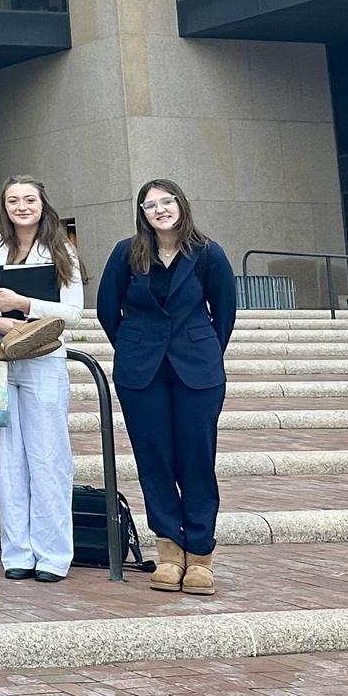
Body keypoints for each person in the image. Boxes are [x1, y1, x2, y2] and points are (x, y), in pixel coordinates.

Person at [97, 179, 236, 595]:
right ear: (142, 214)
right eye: (150, 205)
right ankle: (170, 550)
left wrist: (204, 348)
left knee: (196, 458)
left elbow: (224, 312)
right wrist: (134, 345)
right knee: (154, 459)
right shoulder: (127, 253)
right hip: (142, 371)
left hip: (197, 369)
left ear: (180, 204)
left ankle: (201, 554)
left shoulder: (208, 252)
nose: (159, 210)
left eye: (166, 201)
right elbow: (108, 309)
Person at [0, 175, 84, 583]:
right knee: (8, 460)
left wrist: (24, 304)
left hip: (45, 360)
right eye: (13, 200)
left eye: (29, 199)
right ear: (5, 206)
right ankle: (17, 552)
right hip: (0, 358)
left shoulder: (61, 248)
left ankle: (53, 556)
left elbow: (74, 311)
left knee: (49, 458)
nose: (22, 206)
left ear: (41, 203)